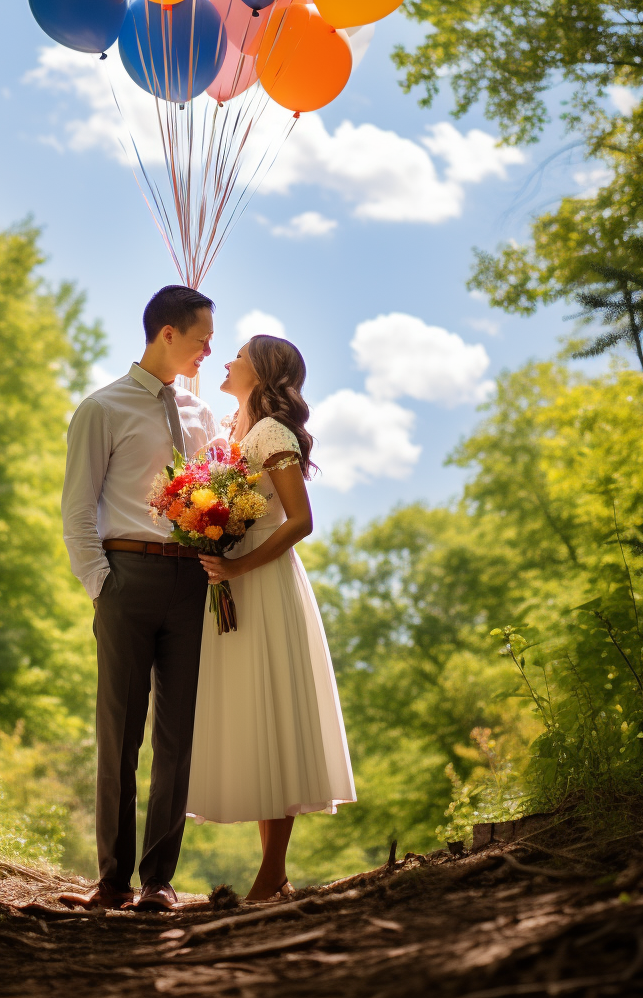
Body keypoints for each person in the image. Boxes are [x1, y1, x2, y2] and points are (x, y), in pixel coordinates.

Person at [59, 285, 217, 912]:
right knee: (120, 734)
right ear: (167, 334)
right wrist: (102, 584)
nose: (210, 348)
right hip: (125, 577)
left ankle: (158, 883)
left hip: (190, 582)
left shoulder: (201, 415)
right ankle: (111, 880)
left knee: (178, 735)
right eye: (202, 337)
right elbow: (77, 507)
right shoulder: (103, 408)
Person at [187, 334, 356, 900]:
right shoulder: (235, 433)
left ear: (258, 370)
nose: (227, 360)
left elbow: (300, 520)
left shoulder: (270, 432)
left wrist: (240, 568)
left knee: (276, 709)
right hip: (235, 580)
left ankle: (271, 874)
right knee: (255, 711)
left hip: (264, 579)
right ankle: (273, 873)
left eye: (237, 353)